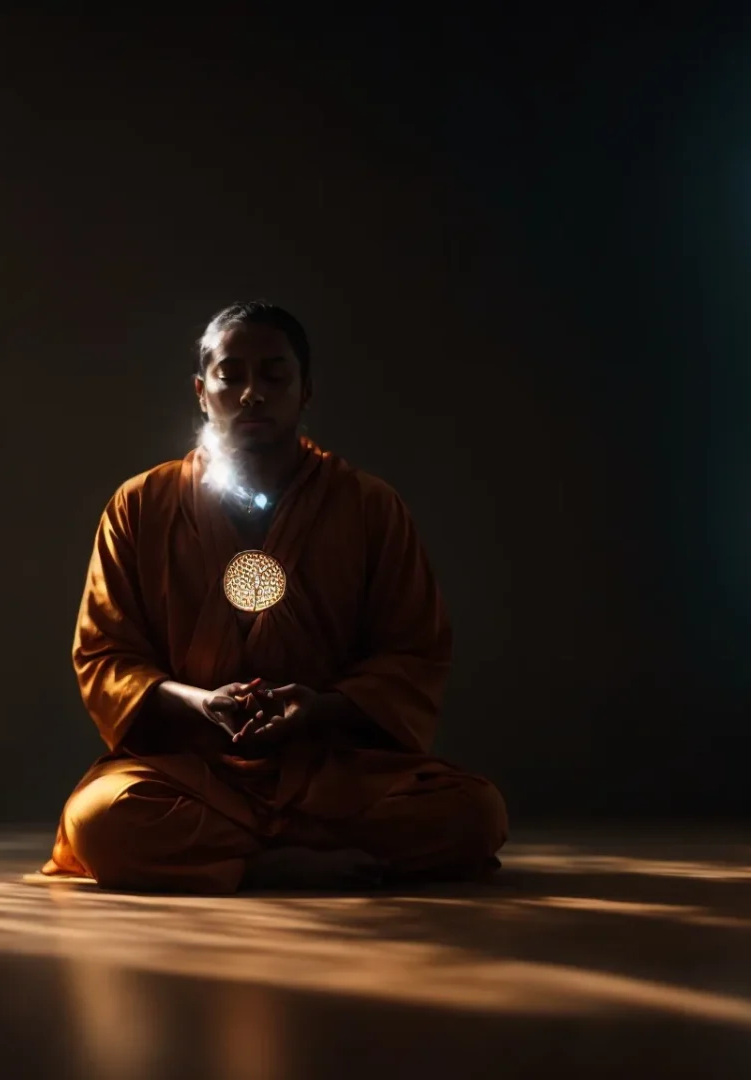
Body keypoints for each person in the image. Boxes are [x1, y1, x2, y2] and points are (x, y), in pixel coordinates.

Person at [42, 301, 508, 893]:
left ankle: (232, 857)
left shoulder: (368, 506)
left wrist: (320, 706)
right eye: (230, 375)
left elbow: (413, 651)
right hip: (196, 771)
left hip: (329, 770)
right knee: (102, 820)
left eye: (274, 374)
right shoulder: (140, 505)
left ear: (305, 389)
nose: (252, 393)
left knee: (475, 813)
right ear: (200, 391)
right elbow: (104, 655)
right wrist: (200, 702)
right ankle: (283, 862)